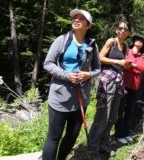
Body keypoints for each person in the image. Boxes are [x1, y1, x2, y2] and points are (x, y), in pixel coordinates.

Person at [42, 9, 101, 160]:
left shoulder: (92, 45)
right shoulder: (61, 40)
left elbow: (97, 69)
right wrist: (67, 75)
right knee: (54, 137)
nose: (76, 20)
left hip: (81, 98)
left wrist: (88, 75)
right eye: (75, 17)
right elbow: (48, 64)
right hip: (60, 96)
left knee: (72, 135)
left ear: (88, 25)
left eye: (81, 18)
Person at [88, 16, 131, 157]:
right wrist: (118, 62)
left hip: (119, 82)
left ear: (128, 32)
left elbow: (121, 63)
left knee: (113, 115)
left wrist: (126, 64)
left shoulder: (125, 47)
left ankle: (104, 144)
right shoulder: (111, 41)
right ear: (116, 30)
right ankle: (92, 147)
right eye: (120, 28)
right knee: (103, 115)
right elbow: (100, 57)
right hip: (107, 80)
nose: (122, 31)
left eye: (125, 29)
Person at [115, 34, 144, 144]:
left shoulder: (142, 56)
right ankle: (118, 134)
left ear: (143, 45)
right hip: (124, 84)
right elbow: (125, 64)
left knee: (130, 110)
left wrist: (133, 66)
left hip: (135, 86)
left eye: (142, 41)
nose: (139, 41)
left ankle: (126, 133)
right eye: (138, 40)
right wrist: (137, 69)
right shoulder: (128, 51)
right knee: (120, 110)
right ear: (134, 41)